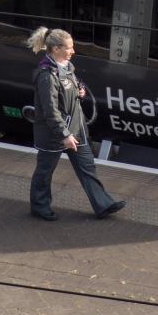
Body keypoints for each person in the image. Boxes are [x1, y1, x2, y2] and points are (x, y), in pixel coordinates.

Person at [26, 27, 125, 221]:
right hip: (54, 133)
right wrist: (64, 135)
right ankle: (39, 206)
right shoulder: (47, 76)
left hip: (76, 128)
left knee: (87, 167)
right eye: (69, 48)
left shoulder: (66, 67)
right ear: (55, 49)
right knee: (45, 171)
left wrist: (79, 91)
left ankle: (103, 204)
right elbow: (50, 111)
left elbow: (70, 87)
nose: (73, 51)